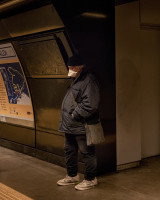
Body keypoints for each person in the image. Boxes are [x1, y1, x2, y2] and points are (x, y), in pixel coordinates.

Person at [57, 54, 100, 191]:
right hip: (70, 125)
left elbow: (90, 104)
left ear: (81, 67)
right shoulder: (75, 79)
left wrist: (76, 114)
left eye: (72, 67)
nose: (70, 69)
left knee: (87, 153)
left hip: (82, 125)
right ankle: (72, 176)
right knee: (69, 151)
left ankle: (90, 179)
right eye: (69, 67)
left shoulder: (89, 81)